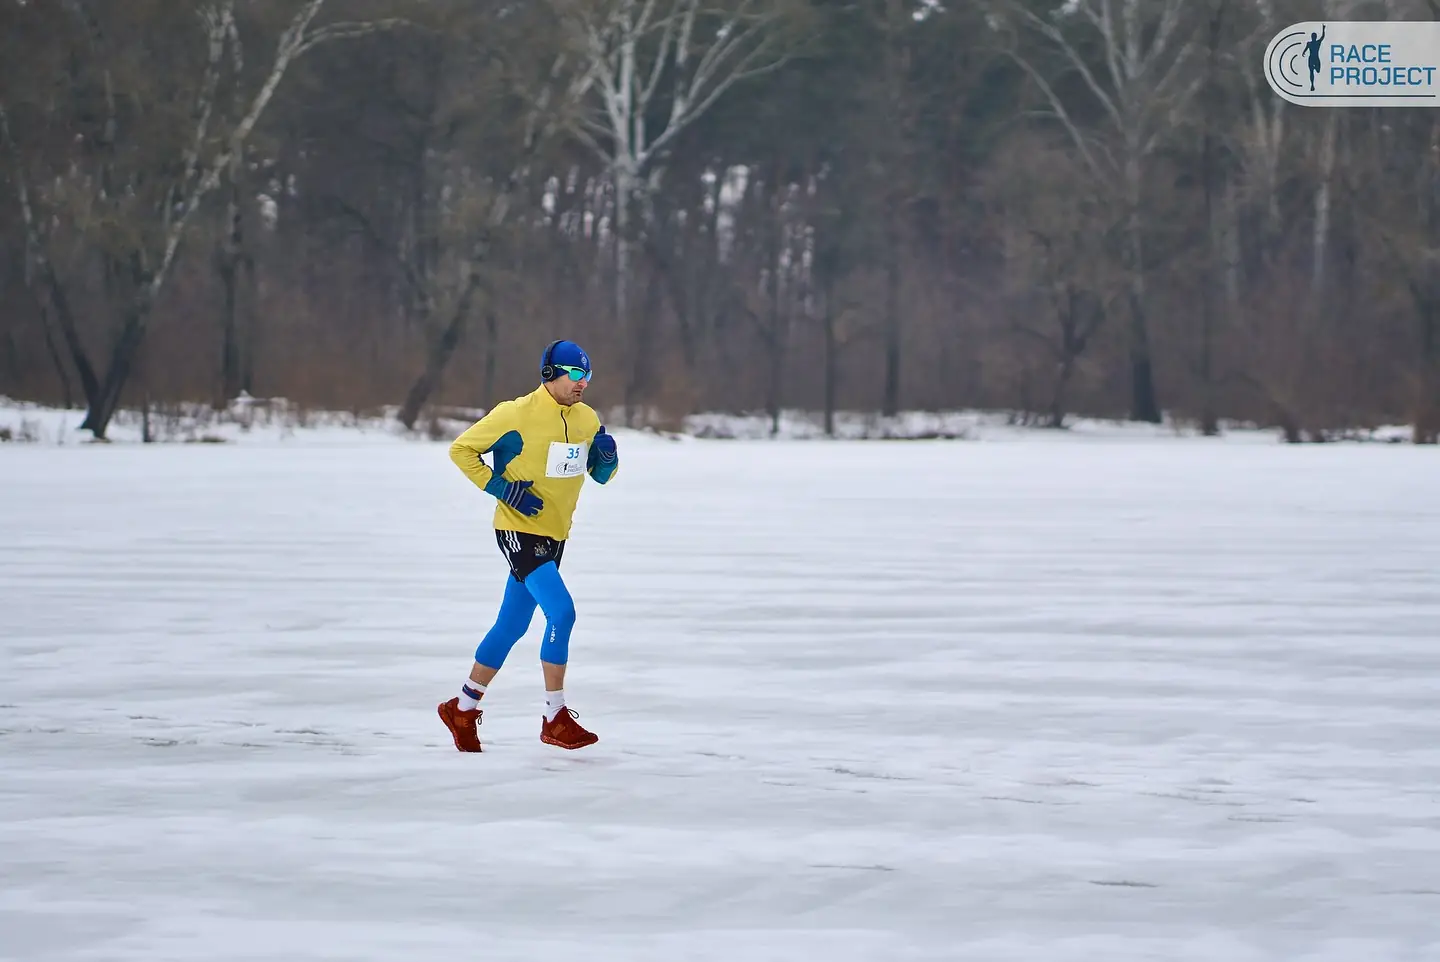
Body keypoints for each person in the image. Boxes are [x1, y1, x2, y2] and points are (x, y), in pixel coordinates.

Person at [436, 339, 619, 752]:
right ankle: (555, 716)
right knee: (562, 612)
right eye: (575, 374)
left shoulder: (587, 418)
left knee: (512, 625)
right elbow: (461, 450)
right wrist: (502, 489)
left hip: (556, 534)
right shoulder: (514, 413)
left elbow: (600, 476)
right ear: (550, 374)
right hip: (518, 529)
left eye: (587, 376)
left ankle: (462, 708)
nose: (583, 383)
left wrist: (607, 459)